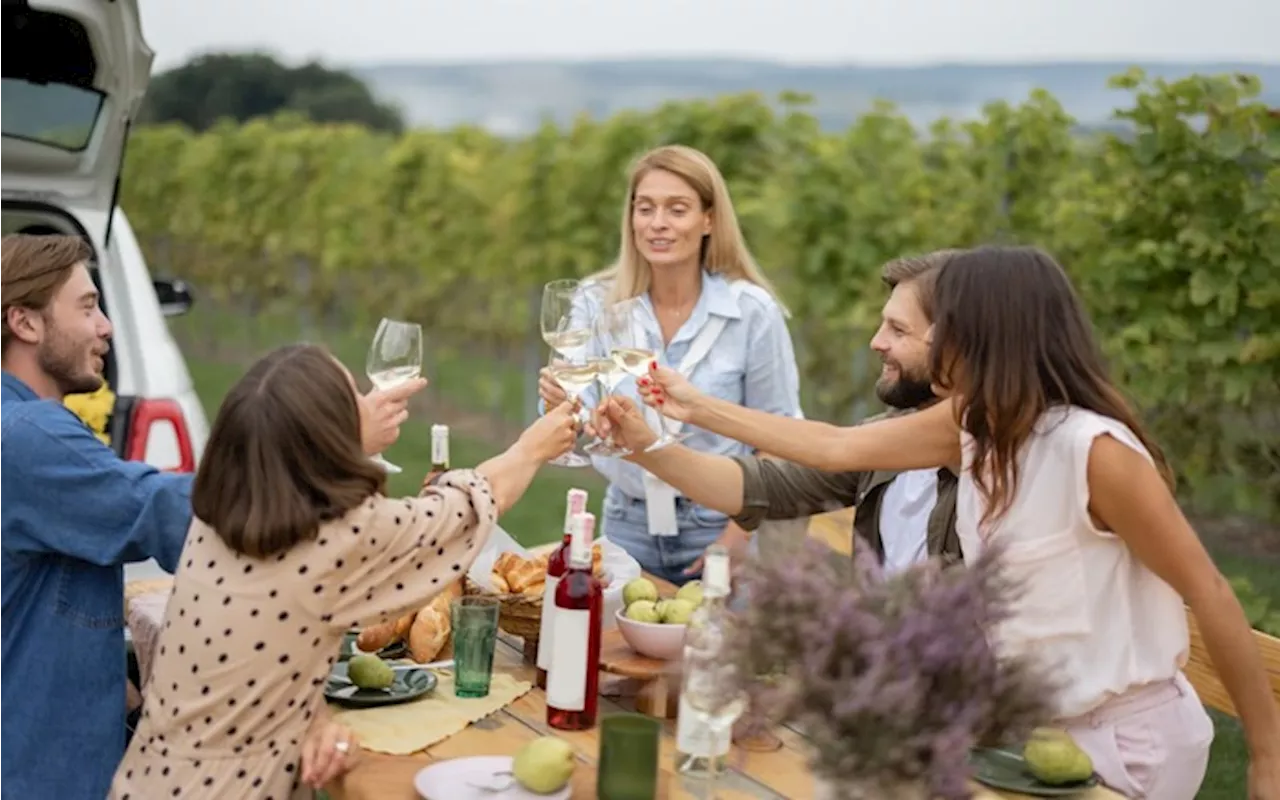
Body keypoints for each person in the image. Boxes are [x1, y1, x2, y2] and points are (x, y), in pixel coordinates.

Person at [599, 245, 1280, 800]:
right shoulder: (971, 427)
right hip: (1024, 737)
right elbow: (835, 448)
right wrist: (678, 417)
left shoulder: (1093, 451)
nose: (884, 342)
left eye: (917, 328)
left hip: (1128, 744)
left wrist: (1266, 762)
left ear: (983, 333)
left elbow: (1211, 594)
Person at [0, 233, 422, 799]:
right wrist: (332, 443)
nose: (106, 326)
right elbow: (187, 514)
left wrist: (128, 697)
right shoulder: (27, 436)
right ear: (24, 323)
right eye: (87, 306)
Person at [109, 343, 579, 799]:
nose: (365, 403)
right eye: (352, 396)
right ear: (324, 434)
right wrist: (530, 448)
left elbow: (269, 652)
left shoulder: (223, 517)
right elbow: (462, 512)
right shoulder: (331, 541)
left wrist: (310, 717)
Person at [538, 144, 801, 585]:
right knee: (617, 654)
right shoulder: (594, 302)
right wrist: (563, 407)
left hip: (721, 522)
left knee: (716, 651)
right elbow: (570, 417)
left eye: (677, 209)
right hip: (627, 522)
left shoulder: (752, 312)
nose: (657, 223)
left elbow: (780, 433)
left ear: (709, 220)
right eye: (646, 208)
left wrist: (739, 534)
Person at [731, 250, 962, 570]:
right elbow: (766, 486)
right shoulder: (889, 438)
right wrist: (651, 448)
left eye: (898, 329)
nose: (876, 342)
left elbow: (832, 447)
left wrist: (693, 405)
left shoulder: (979, 448)